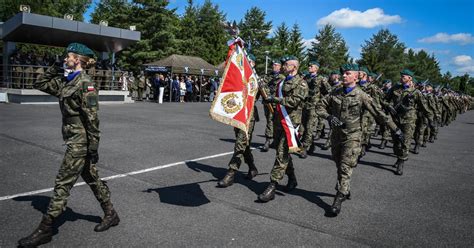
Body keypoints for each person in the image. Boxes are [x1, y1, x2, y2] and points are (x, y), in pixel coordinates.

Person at [18, 43, 119, 247]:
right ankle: (111, 213)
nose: (65, 59)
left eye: (68, 57)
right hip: (73, 138)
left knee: (62, 183)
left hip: (80, 142)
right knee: (91, 178)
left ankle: (45, 229)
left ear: (78, 60)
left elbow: (92, 120)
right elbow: (40, 83)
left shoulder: (85, 84)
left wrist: (93, 148)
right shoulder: (67, 81)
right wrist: (55, 67)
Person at [316, 63, 403, 216]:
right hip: (336, 135)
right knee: (338, 162)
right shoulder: (335, 92)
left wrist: (395, 129)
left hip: (353, 136)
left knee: (345, 166)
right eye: (343, 73)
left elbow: (379, 113)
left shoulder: (362, 95)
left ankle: (339, 196)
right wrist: (329, 116)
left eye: (348, 73)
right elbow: (319, 106)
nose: (343, 75)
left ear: (356, 77)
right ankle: (346, 188)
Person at [258, 56, 308, 202]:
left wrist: (275, 100)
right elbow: (273, 96)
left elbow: (294, 101)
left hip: (290, 123)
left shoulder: (302, 83)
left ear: (294, 67)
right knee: (283, 153)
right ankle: (292, 178)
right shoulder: (281, 82)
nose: (284, 66)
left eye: (286, 64)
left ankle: (272, 185)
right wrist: (264, 90)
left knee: (281, 153)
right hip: (278, 122)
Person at [217, 54, 259, 187]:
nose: (246, 64)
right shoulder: (239, 77)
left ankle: (231, 173)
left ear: (253, 64)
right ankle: (252, 168)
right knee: (244, 145)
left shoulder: (256, 79)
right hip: (238, 114)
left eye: (249, 62)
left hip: (249, 116)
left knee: (240, 144)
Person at [383, 69, 434, 175]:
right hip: (395, 119)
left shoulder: (416, 92)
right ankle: (398, 156)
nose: (401, 78)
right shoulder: (395, 88)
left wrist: (431, 119)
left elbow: (424, 107)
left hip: (409, 120)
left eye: (404, 76)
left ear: (410, 78)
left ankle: (401, 161)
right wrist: (389, 106)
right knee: (396, 141)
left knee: (405, 141)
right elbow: (384, 100)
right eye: (401, 76)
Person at [300, 60, 328, 158]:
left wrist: (322, 102)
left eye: (311, 66)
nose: (309, 67)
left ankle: (305, 147)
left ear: (316, 68)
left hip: (314, 107)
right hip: (305, 105)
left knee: (309, 127)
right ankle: (311, 145)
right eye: (309, 66)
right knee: (302, 127)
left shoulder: (321, 79)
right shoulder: (305, 77)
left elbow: (328, 91)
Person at [261, 59, 284, 152]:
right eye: (273, 65)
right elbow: (262, 86)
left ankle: (273, 140)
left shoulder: (283, 77)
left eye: (276, 65)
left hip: (277, 103)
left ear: (280, 67)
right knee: (269, 120)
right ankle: (268, 140)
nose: (274, 66)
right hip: (267, 102)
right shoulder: (267, 76)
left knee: (276, 122)